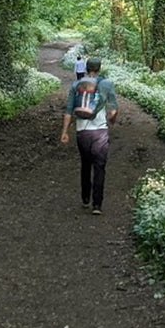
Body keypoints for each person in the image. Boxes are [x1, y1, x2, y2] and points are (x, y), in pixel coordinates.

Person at [60, 57, 119, 214]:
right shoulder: (106, 84)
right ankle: (97, 205)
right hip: (100, 131)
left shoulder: (75, 85)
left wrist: (65, 132)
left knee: (85, 165)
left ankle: (85, 198)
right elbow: (113, 111)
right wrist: (111, 120)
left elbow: (68, 111)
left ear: (86, 69)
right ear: (100, 69)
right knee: (99, 167)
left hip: (82, 132)